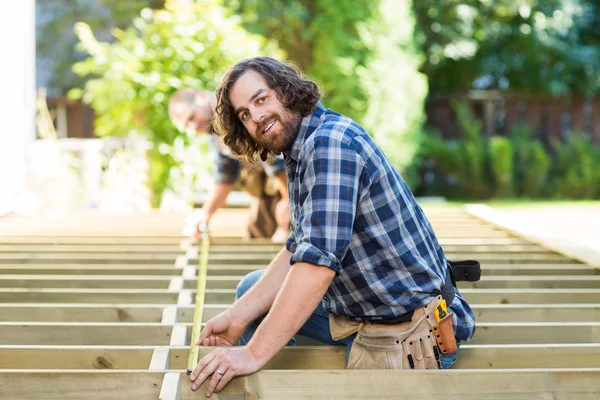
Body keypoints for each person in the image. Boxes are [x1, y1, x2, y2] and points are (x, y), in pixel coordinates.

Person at [188, 57, 477, 397]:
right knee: (251, 291)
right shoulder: (301, 148)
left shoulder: (330, 145)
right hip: (372, 310)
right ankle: (269, 383)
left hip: (414, 332)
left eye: (261, 99)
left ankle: (273, 375)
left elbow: (316, 266)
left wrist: (253, 353)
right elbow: (298, 247)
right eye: (245, 114)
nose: (256, 117)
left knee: (267, 325)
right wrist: (236, 317)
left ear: (285, 90)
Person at [168, 88, 290, 242]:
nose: (193, 126)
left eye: (192, 116)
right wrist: (205, 215)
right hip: (274, 184)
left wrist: (288, 200)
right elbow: (226, 176)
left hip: (296, 176)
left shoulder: (232, 107)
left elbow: (276, 161)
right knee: (257, 233)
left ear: (201, 97)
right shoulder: (213, 130)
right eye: (188, 125)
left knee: (285, 239)